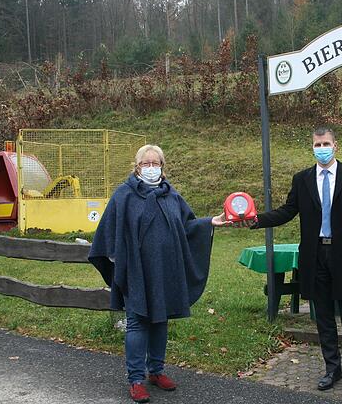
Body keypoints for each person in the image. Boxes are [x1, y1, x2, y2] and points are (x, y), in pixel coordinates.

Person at [88, 144, 234, 403]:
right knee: (137, 322)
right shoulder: (124, 195)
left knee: (160, 320)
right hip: (136, 271)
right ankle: (135, 379)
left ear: (162, 167)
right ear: (137, 166)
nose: (151, 168)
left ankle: (156, 370)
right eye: (146, 164)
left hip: (164, 270)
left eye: (156, 163)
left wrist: (210, 221)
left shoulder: (171, 196)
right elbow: (107, 231)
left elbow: (187, 224)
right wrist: (116, 260)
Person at [252, 127, 342, 400]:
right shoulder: (303, 179)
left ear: (336, 145)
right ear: (313, 147)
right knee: (324, 319)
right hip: (314, 256)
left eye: (326, 143)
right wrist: (257, 219)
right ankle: (333, 369)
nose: (322, 148)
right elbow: (287, 211)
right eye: (317, 144)